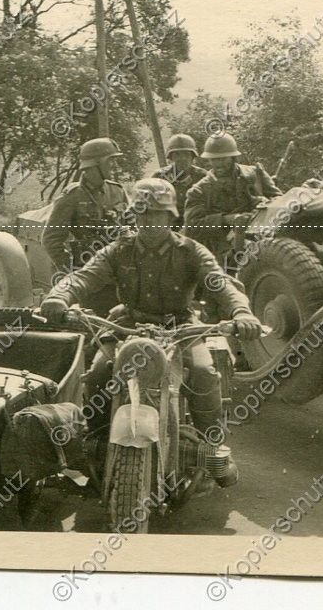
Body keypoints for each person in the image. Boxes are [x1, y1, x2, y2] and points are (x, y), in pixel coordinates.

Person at [40, 178, 265, 487]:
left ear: (171, 216)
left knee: (203, 372)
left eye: (156, 214)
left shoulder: (191, 251)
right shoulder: (119, 250)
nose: (148, 221)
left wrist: (242, 312)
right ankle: (96, 446)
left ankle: (212, 447)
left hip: (180, 328)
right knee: (99, 372)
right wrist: (58, 296)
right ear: (134, 216)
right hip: (128, 325)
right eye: (142, 213)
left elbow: (220, 283)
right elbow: (83, 276)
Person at [183, 133, 282, 266]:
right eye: (214, 159)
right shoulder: (199, 191)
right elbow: (192, 228)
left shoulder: (255, 174)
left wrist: (265, 203)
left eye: (223, 159)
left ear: (233, 157)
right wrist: (226, 219)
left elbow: (280, 200)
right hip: (224, 249)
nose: (219, 164)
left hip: (265, 234)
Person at [42, 137, 129, 273]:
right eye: (110, 161)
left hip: (117, 269)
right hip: (86, 271)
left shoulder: (117, 191)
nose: (114, 165)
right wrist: (71, 271)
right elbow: (51, 239)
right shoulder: (72, 196)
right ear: (95, 164)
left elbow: (132, 227)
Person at [151, 133, 208, 226]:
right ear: (171, 157)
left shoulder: (203, 176)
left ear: (192, 156)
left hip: (196, 225)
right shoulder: (159, 177)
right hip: (168, 226)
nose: (182, 158)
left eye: (186, 154)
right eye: (177, 154)